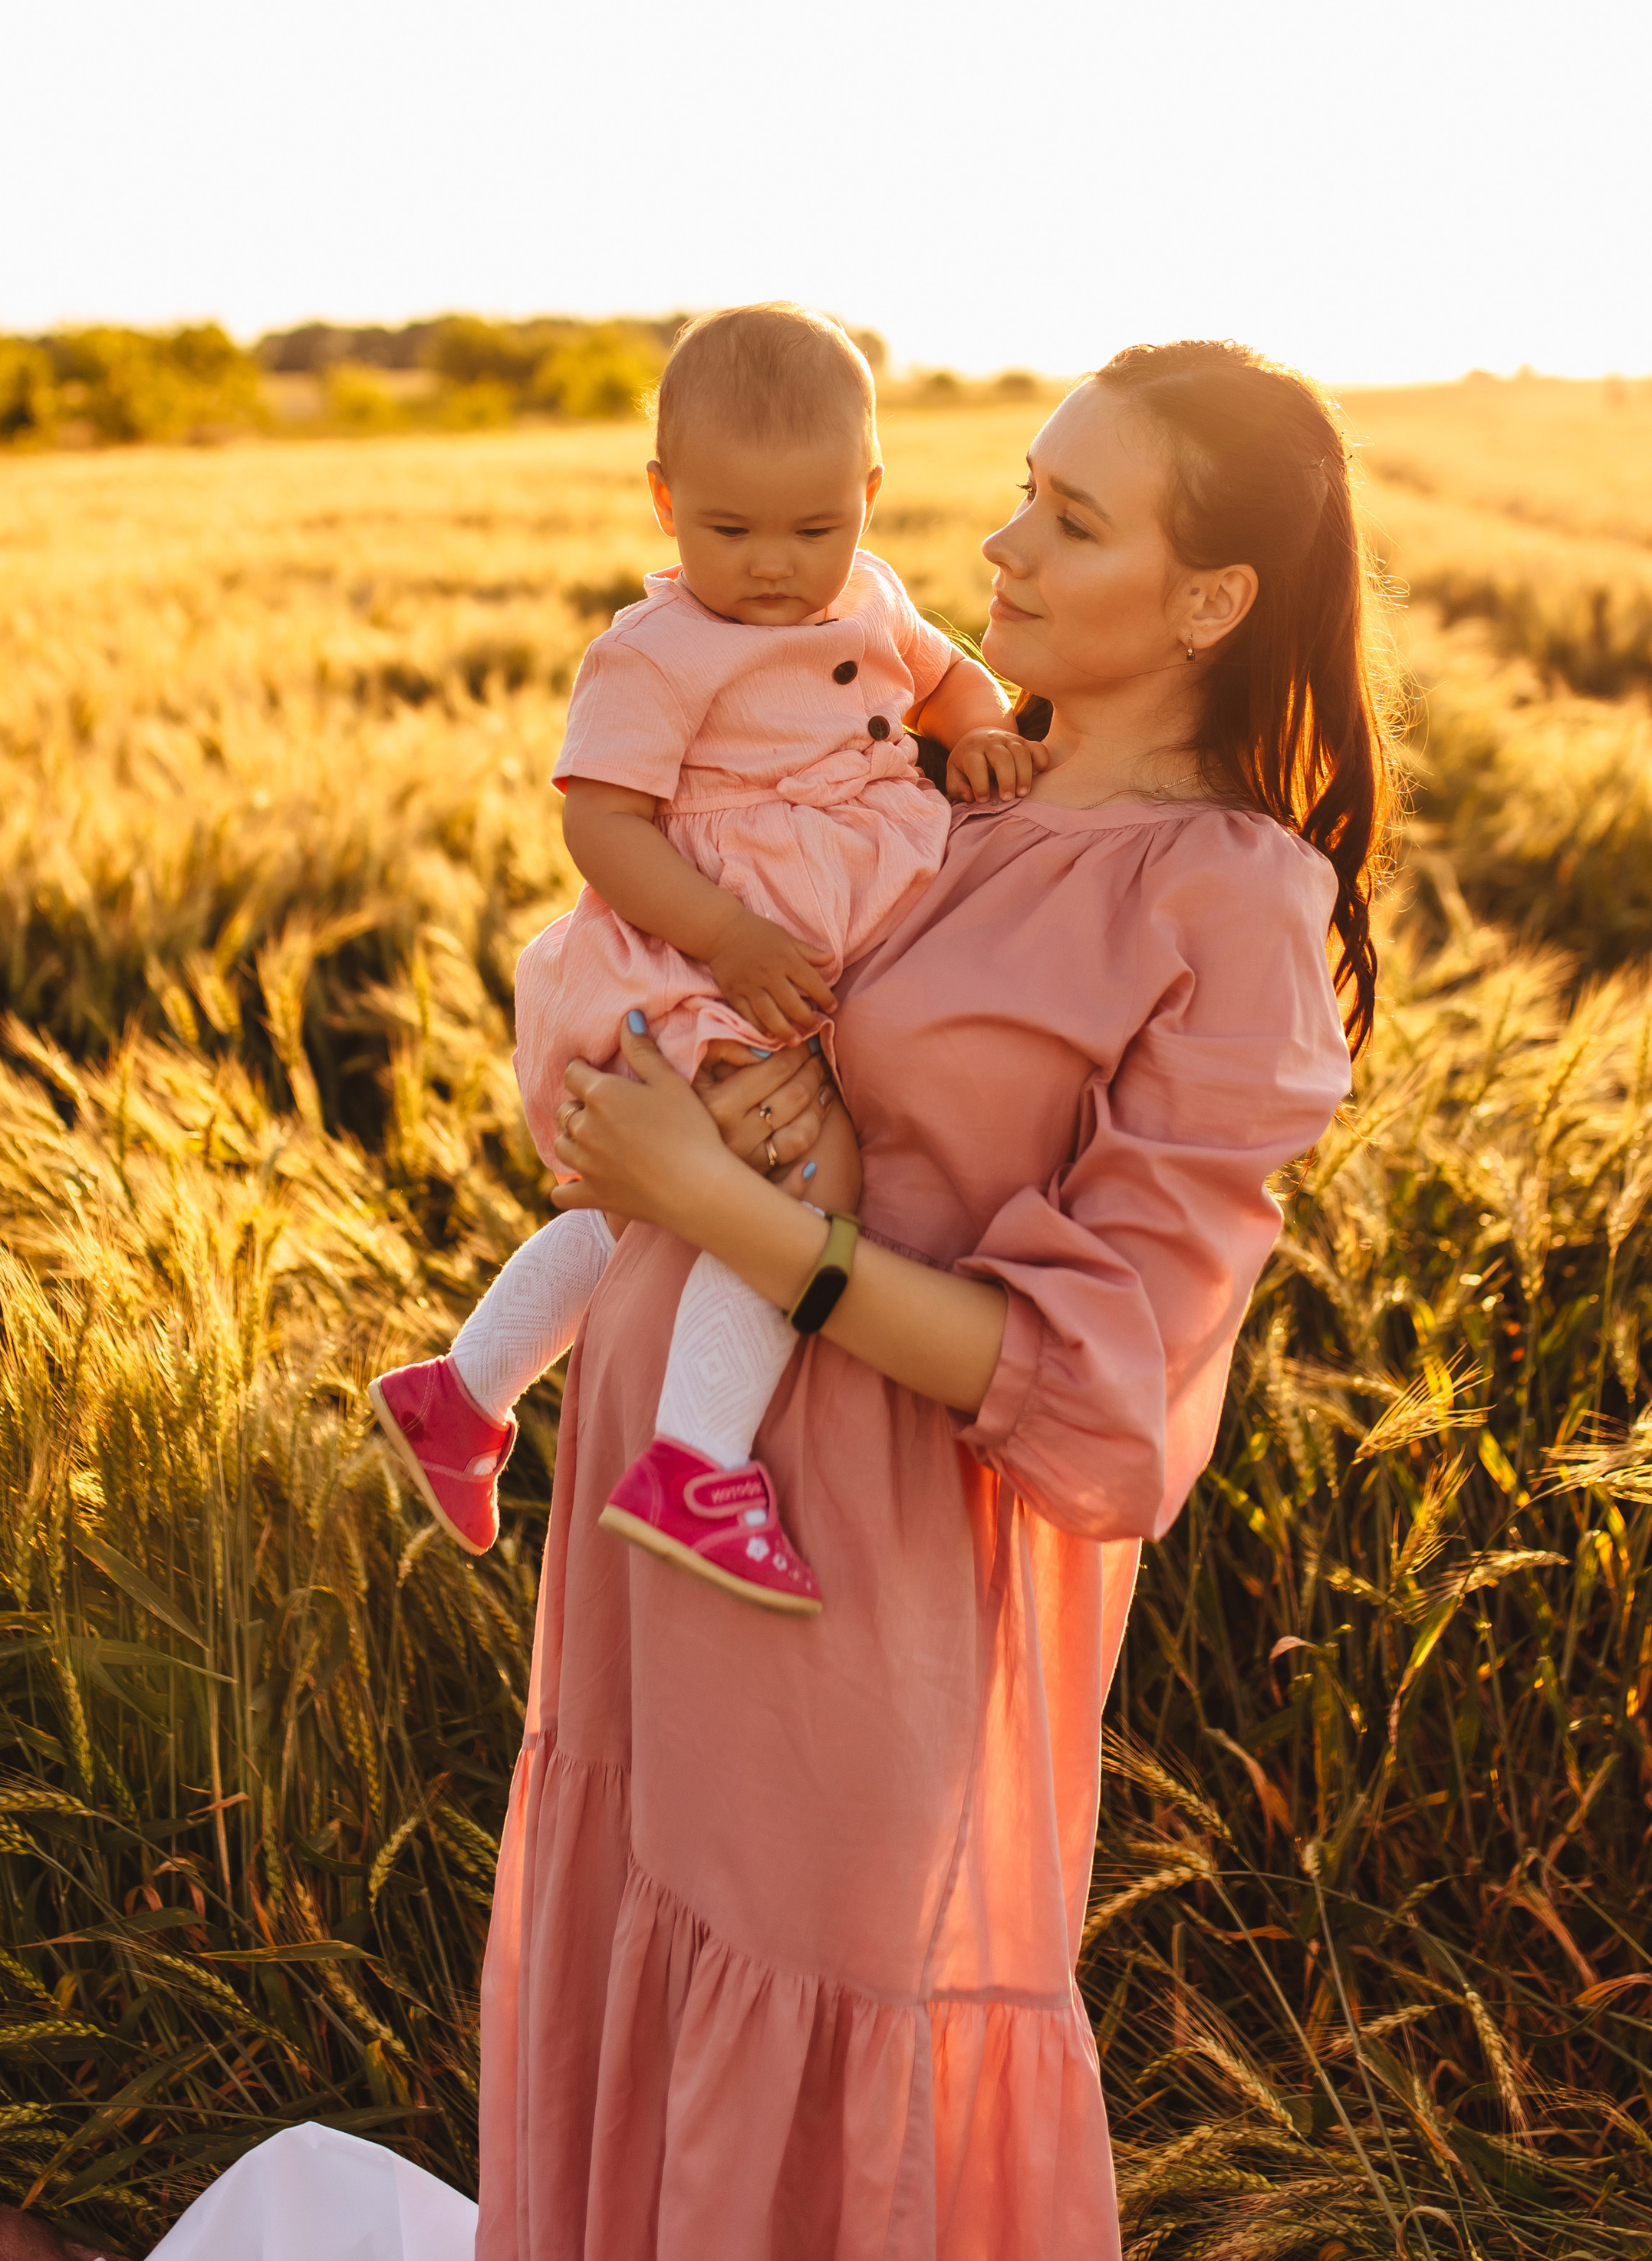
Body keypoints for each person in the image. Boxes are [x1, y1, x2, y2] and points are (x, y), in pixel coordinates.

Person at [475, 339, 1393, 2260]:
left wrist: (734, 1207)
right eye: (1015, 491)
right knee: (631, 1969)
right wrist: (628, 1095)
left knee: (812, 2074)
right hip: (660, 1524)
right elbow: (597, 949)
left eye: (1068, 519)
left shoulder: (1222, 905)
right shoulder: (929, 764)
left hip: (852, 1581)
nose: (994, 545)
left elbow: (1105, 1408)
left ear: (1211, 599)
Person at [370, 304, 1031, 1611]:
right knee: (803, 1176)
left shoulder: (875, 593)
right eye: (732, 531)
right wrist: (726, 937)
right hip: (698, 948)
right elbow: (600, 824)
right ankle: (696, 1465)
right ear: (666, 504)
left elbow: (950, 681)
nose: (779, 567)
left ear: (871, 495)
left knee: (649, 1216)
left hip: (792, 945)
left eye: (816, 527)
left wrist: (989, 727)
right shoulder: (652, 651)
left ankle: (459, 1394)